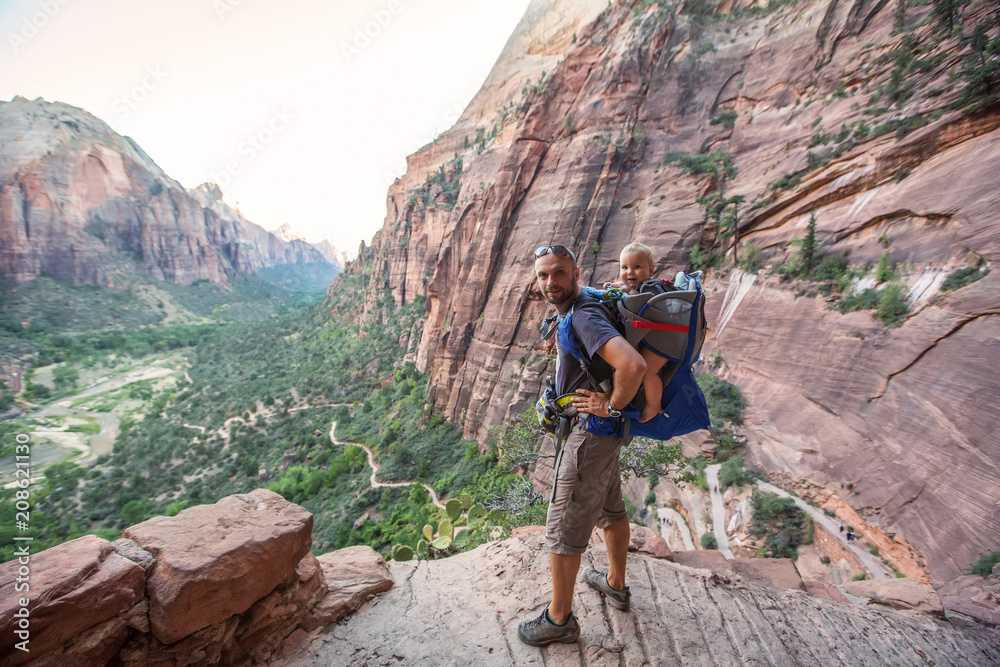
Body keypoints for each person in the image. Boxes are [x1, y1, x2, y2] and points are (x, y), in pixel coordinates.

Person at [517, 244, 646, 647]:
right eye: (543, 276)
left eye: (558, 274)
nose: (550, 283)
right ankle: (615, 585)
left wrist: (610, 405)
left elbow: (633, 366)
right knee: (610, 509)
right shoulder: (584, 301)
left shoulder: (585, 316)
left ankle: (559, 621)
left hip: (590, 434)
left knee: (564, 523)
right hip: (604, 438)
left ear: (576, 274)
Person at [604, 242, 672, 423]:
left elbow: (639, 300)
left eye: (636, 267)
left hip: (666, 340)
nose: (629, 272)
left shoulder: (652, 287)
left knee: (649, 371)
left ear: (651, 269)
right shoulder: (641, 285)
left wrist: (625, 290)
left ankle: (653, 405)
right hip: (655, 337)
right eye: (624, 267)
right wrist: (621, 286)